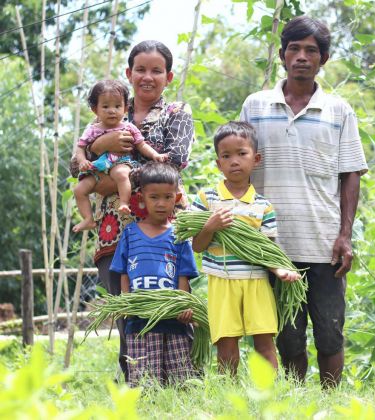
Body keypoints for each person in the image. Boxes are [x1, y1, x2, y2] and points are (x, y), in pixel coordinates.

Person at [240, 16, 368, 388]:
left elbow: (351, 174)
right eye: (294, 48)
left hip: (324, 243)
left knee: (330, 331)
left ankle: (329, 402)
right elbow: (238, 163)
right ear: (281, 55)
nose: (301, 56)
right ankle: (296, 401)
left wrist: (345, 235)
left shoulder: (339, 110)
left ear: (323, 59)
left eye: (311, 50)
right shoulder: (255, 105)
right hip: (271, 245)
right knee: (287, 335)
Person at [70, 40, 195, 382]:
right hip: (115, 228)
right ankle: (135, 384)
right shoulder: (106, 114)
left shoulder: (176, 113)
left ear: (168, 77)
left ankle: (179, 381)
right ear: (129, 73)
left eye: (156, 70)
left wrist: (111, 180)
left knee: (171, 305)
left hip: (164, 227)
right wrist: (99, 146)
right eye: (140, 69)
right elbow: (73, 166)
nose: (147, 77)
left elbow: (175, 159)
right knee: (126, 307)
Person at [190, 121, 300, 375]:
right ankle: (230, 395)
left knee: (265, 342)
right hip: (222, 282)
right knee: (226, 343)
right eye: (226, 156)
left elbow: (267, 249)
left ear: (256, 158)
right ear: (218, 164)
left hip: (257, 282)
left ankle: (272, 396)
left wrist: (279, 270)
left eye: (242, 153)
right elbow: (197, 246)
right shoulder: (207, 199)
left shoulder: (263, 206)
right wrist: (210, 227)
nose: (234, 161)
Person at [110, 162, 199, 386]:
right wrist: (127, 300)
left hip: (173, 320)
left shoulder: (179, 235)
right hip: (139, 319)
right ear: (141, 198)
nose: (161, 204)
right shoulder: (130, 233)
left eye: (167, 197)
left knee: (180, 377)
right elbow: (123, 273)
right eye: (154, 197)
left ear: (177, 198)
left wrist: (183, 305)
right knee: (143, 380)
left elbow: (183, 275)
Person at [73, 80, 168, 232]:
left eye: (117, 106)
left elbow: (141, 145)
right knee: (79, 190)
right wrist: (83, 160)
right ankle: (88, 219)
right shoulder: (92, 130)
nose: (112, 111)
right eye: (105, 106)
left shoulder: (128, 127)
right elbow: (80, 148)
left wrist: (156, 155)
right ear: (94, 109)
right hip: (98, 168)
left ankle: (124, 202)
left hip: (120, 161)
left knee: (121, 174)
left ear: (125, 108)